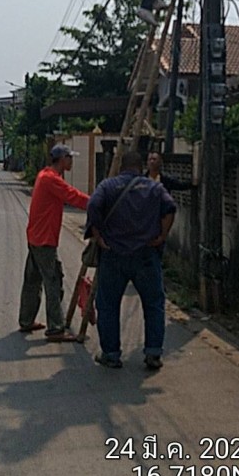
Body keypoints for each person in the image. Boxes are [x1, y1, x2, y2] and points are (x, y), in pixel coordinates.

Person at [86, 150, 177, 370]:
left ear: (121, 167)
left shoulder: (107, 186)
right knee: (154, 304)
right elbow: (170, 208)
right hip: (146, 255)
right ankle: (153, 353)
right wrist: (162, 236)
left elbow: (92, 207)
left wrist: (98, 238)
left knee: (107, 305)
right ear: (140, 167)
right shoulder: (154, 188)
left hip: (114, 254)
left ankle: (111, 354)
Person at [18, 144, 89, 341]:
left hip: (36, 236)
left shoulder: (45, 175)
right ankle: (56, 328)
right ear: (61, 159)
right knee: (53, 280)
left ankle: (26, 320)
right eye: (69, 158)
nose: (72, 161)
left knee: (32, 281)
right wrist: (96, 203)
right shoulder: (51, 179)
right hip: (44, 239)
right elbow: (73, 196)